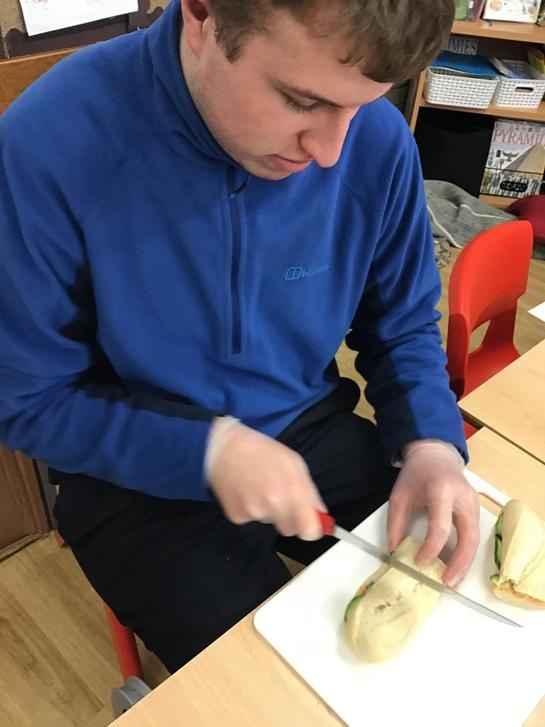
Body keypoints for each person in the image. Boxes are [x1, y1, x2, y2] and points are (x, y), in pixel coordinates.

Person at [0, 0, 480, 673]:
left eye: (364, 105)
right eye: (300, 100)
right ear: (202, 15)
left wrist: (429, 443)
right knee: (271, 691)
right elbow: (26, 398)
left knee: (459, 600)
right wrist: (205, 450)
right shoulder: (46, 145)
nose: (329, 152)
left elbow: (400, 322)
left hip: (304, 423)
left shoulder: (375, 143)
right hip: (128, 468)